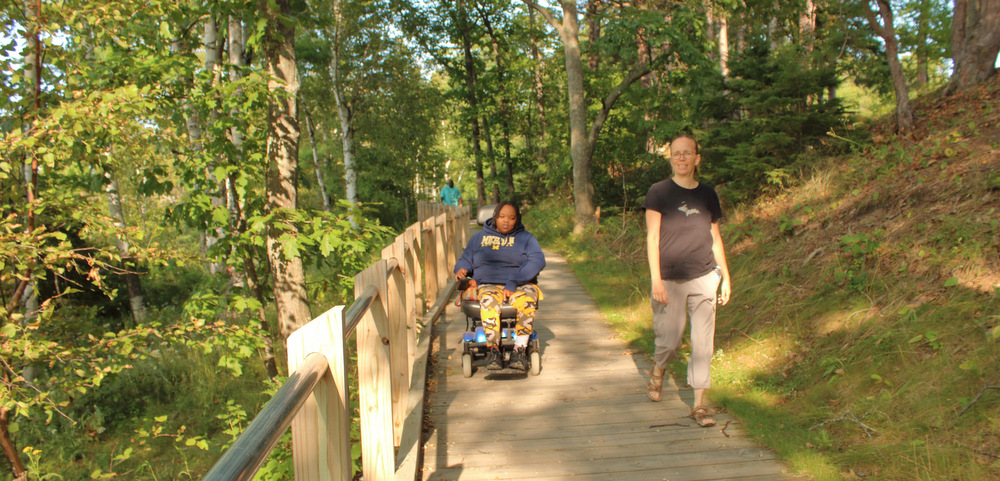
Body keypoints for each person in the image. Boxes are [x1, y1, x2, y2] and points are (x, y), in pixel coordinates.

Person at [641, 134, 731, 427]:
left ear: (697, 158)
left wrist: (725, 276)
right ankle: (658, 369)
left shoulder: (708, 194)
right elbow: (652, 238)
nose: (681, 158)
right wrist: (656, 279)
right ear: (671, 158)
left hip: (705, 276)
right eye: (676, 153)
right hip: (669, 279)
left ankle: (700, 406)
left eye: (687, 153)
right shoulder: (658, 192)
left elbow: (715, 238)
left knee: (703, 344)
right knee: (670, 339)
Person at [454, 201, 545, 371]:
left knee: (527, 300)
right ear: (495, 217)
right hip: (488, 284)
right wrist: (461, 269)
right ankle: (493, 351)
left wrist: (514, 281)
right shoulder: (479, 238)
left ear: (517, 220)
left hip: (520, 284)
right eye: (502, 216)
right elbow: (466, 259)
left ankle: (519, 350)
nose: (506, 221)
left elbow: (538, 261)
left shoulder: (527, 238)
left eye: (511, 218)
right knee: (488, 301)